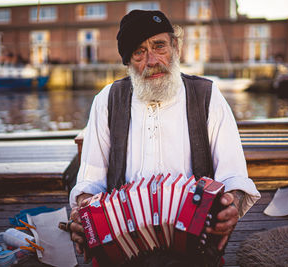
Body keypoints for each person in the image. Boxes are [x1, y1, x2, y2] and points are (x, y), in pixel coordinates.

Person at [68, 9, 260, 266]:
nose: (151, 61)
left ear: (175, 46)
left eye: (159, 46)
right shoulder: (107, 100)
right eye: (139, 52)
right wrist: (82, 211)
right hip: (122, 247)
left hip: (195, 245)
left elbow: (233, 175)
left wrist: (232, 203)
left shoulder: (207, 96)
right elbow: (90, 182)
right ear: (128, 61)